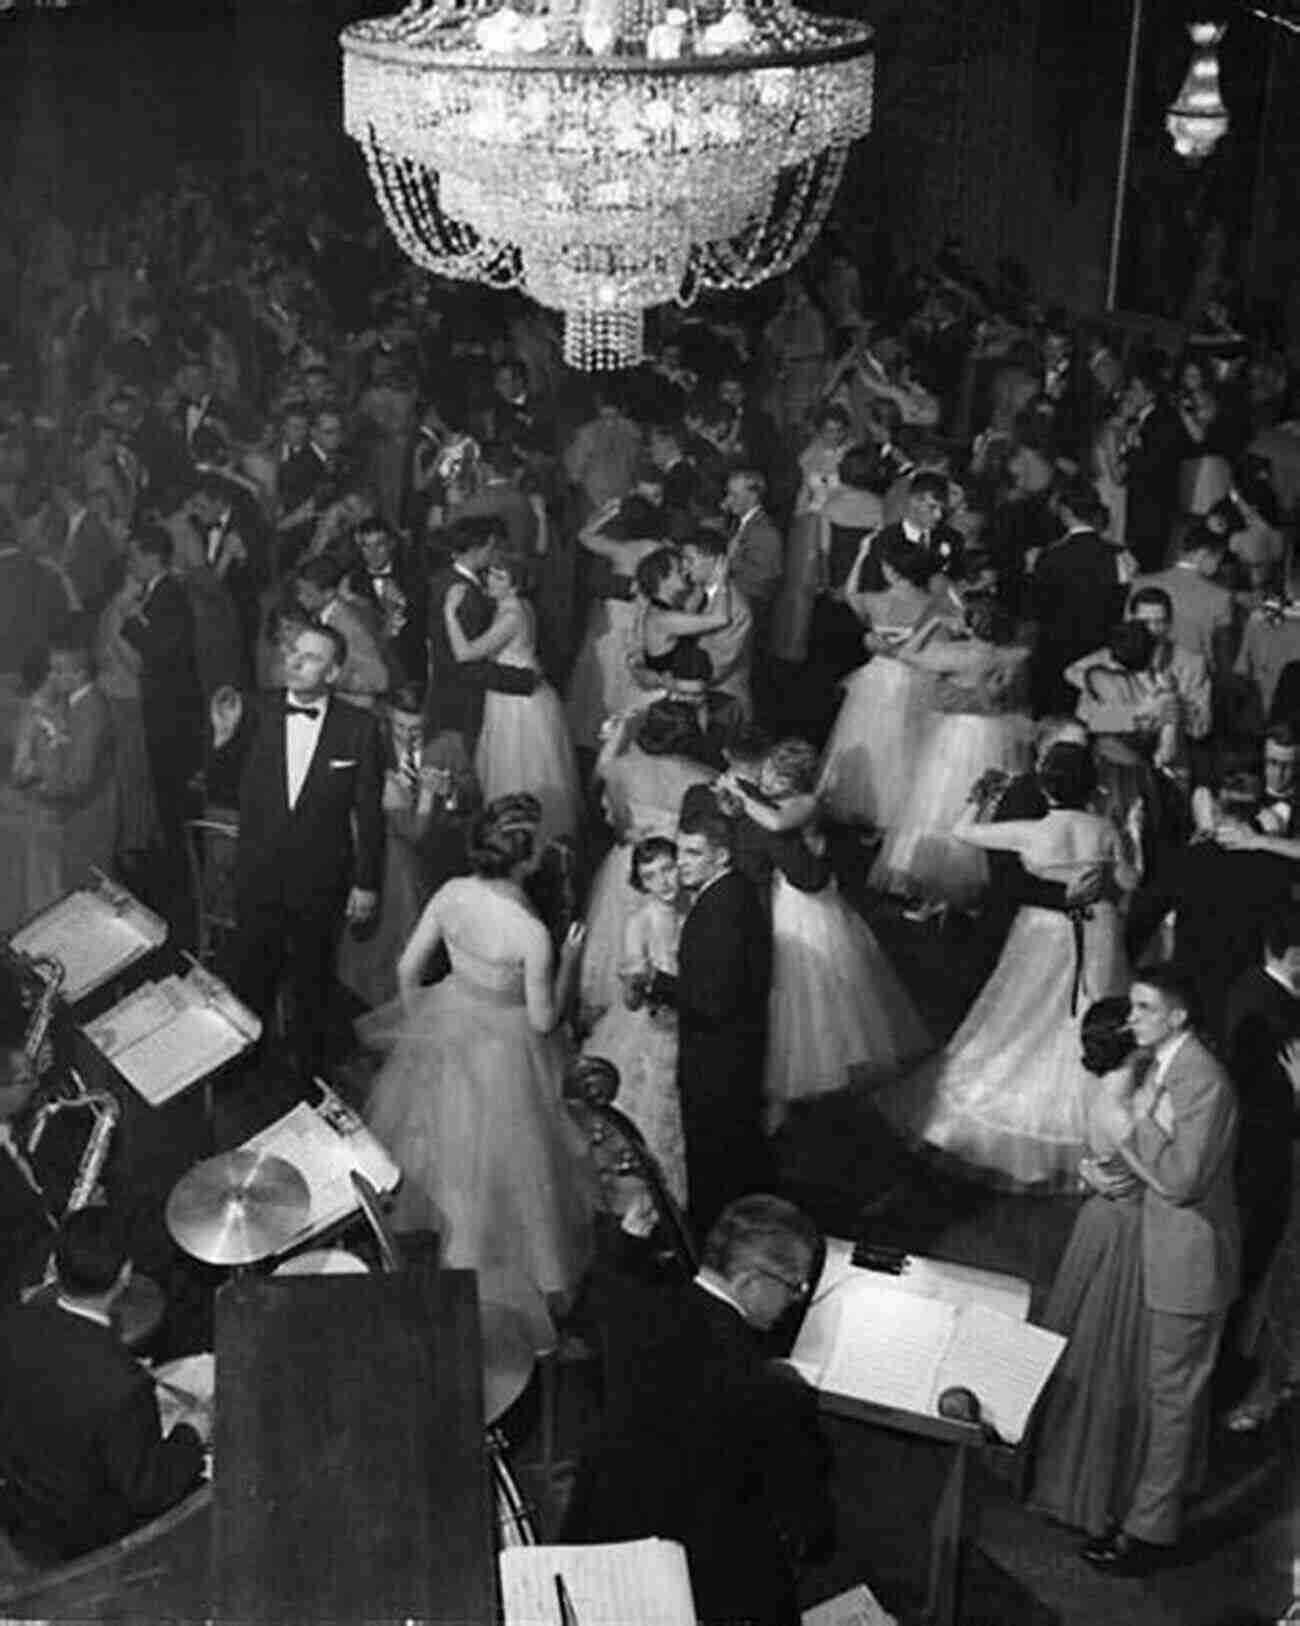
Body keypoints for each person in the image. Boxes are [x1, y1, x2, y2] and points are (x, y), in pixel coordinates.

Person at [363, 795, 596, 1353]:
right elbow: (543, 1021)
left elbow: (405, 970)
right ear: (524, 859)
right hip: (508, 1054)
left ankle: (453, 1276)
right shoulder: (531, 932)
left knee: (451, 1158)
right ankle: (504, 1303)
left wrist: (425, 1027)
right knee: (514, 1170)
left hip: (449, 1028)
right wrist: (569, 963)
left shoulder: (450, 894)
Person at [873, 742, 1135, 1188]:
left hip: (1043, 932)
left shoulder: (1031, 831)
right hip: (1097, 928)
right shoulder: (1105, 829)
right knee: (1090, 1016)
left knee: (1018, 1018)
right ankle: (1096, 1117)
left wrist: (980, 795)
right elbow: (1131, 882)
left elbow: (962, 831)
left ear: (1048, 789)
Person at [562, 1194, 831, 1626]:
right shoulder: (772, 1391)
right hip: (688, 1589)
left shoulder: (633, 1309)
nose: (794, 1301)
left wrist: (628, 1239)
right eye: (794, 1286)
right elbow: (808, 1526)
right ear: (750, 1281)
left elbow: (603, 1288)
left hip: (593, 1555)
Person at [1081, 969, 1240, 1575]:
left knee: (1171, 1399)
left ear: (1177, 1018)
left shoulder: (1201, 1080)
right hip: (1168, 1252)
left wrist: (1130, 1115)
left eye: (1145, 1009)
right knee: (1170, 1393)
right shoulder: (1170, 1064)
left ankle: (1148, 1534)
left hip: (1189, 1262)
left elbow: (1180, 1180)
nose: (1131, 1019)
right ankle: (1167, 1494)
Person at [720, 740, 930, 1127]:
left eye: (775, 774)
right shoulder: (773, 799)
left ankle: (806, 1083)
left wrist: (739, 792)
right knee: (787, 985)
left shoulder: (804, 803)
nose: (767, 778)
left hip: (806, 903)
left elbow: (776, 823)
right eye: (768, 771)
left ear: (792, 778)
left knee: (809, 982)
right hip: (785, 895)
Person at [209, 623, 384, 1077]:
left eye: (311, 657)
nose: (296, 662)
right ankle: (241, 1067)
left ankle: (305, 1075)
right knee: (250, 972)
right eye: (294, 652)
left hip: (322, 876)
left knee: (312, 978)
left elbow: (368, 814)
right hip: (259, 871)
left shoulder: (360, 728)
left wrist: (367, 882)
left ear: (335, 672)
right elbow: (219, 784)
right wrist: (221, 741)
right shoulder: (255, 711)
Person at [0, 1207, 206, 1561]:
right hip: (90, 1535)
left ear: (56, 1267)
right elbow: (148, 1489)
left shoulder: (10, 1323)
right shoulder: (123, 1386)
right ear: (125, 1274)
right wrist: (192, 1430)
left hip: (24, 1509)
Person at [1026, 998, 1150, 1538]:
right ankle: (1089, 1482)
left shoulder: (1114, 1090)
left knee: (1089, 1344)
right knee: (1108, 1355)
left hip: (1104, 1224)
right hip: (1126, 1234)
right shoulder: (1123, 1112)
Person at [646, 800, 771, 1233]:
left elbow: (714, 999)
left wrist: (658, 984)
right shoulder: (728, 893)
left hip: (719, 1058)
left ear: (722, 855)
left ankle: (707, 1249)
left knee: (714, 1160)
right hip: (728, 1053)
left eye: (693, 854)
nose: (680, 864)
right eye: (679, 852)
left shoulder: (724, 909)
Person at [870, 600, 1033, 911]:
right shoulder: (1016, 656)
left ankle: (936, 888)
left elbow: (906, 655)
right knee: (988, 805)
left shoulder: (960, 656)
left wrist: (933, 625)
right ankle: (978, 888)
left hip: (957, 735)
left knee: (941, 802)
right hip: (997, 733)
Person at [580, 696, 718, 1026]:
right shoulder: (705, 777)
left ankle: (623, 1005)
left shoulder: (620, 769)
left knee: (624, 939)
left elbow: (621, 827)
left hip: (635, 862)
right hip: (676, 866)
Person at [1220, 907, 1300, 1430]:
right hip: (1266, 1167)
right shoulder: (1265, 1009)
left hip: (1274, 1167)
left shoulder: (1264, 994)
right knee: (1261, 1277)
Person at [445, 547, 579, 847]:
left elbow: (465, 654)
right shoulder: (515, 605)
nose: (491, 579)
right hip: (512, 693)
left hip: (518, 702)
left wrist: (449, 613)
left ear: (515, 584)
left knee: (517, 769)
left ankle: (522, 841)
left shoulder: (512, 614)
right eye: (491, 572)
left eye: (499, 576)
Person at [818, 534, 954, 831]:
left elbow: (849, 594)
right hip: (915, 678)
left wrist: (861, 554)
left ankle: (867, 809)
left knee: (868, 740)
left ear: (891, 570)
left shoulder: (876, 601)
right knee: (905, 745)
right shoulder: (932, 605)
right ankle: (897, 812)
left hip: (877, 678)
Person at [582, 836, 689, 1207]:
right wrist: (638, 983)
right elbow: (630, 1002)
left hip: (694, 1019)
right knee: (651, 1111)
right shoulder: (640, 923)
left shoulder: (695, 908)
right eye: (651, 876)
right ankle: (649, 1203)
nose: (664, 882)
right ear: (641, 883)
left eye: (668, 869)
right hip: (656, 1025)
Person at [0, 624, 117, 933]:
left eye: (57, 671)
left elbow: (78, 780)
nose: (50, 678)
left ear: (77, 675)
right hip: (72, 815)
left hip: (82, 822)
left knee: (71, 902)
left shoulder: (90, 710)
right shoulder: (73, 704)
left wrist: (36, 789)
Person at [116, 523, 204, 896]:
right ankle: (175, 867)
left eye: (135, 555)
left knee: (173, 793)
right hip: (164, 710)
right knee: (166, 791)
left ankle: (180, 878)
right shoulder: (160, 593)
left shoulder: (170, 595)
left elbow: (159, 650)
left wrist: (129, 617)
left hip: (173, 713)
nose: (130, 562)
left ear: (153, 557)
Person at [423, 516, 537, 765]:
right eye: (493, 548)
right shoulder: (462, 593)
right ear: (485, 546)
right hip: (463, 696)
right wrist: (520, 679)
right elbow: (462, 661)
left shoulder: (447, 580)